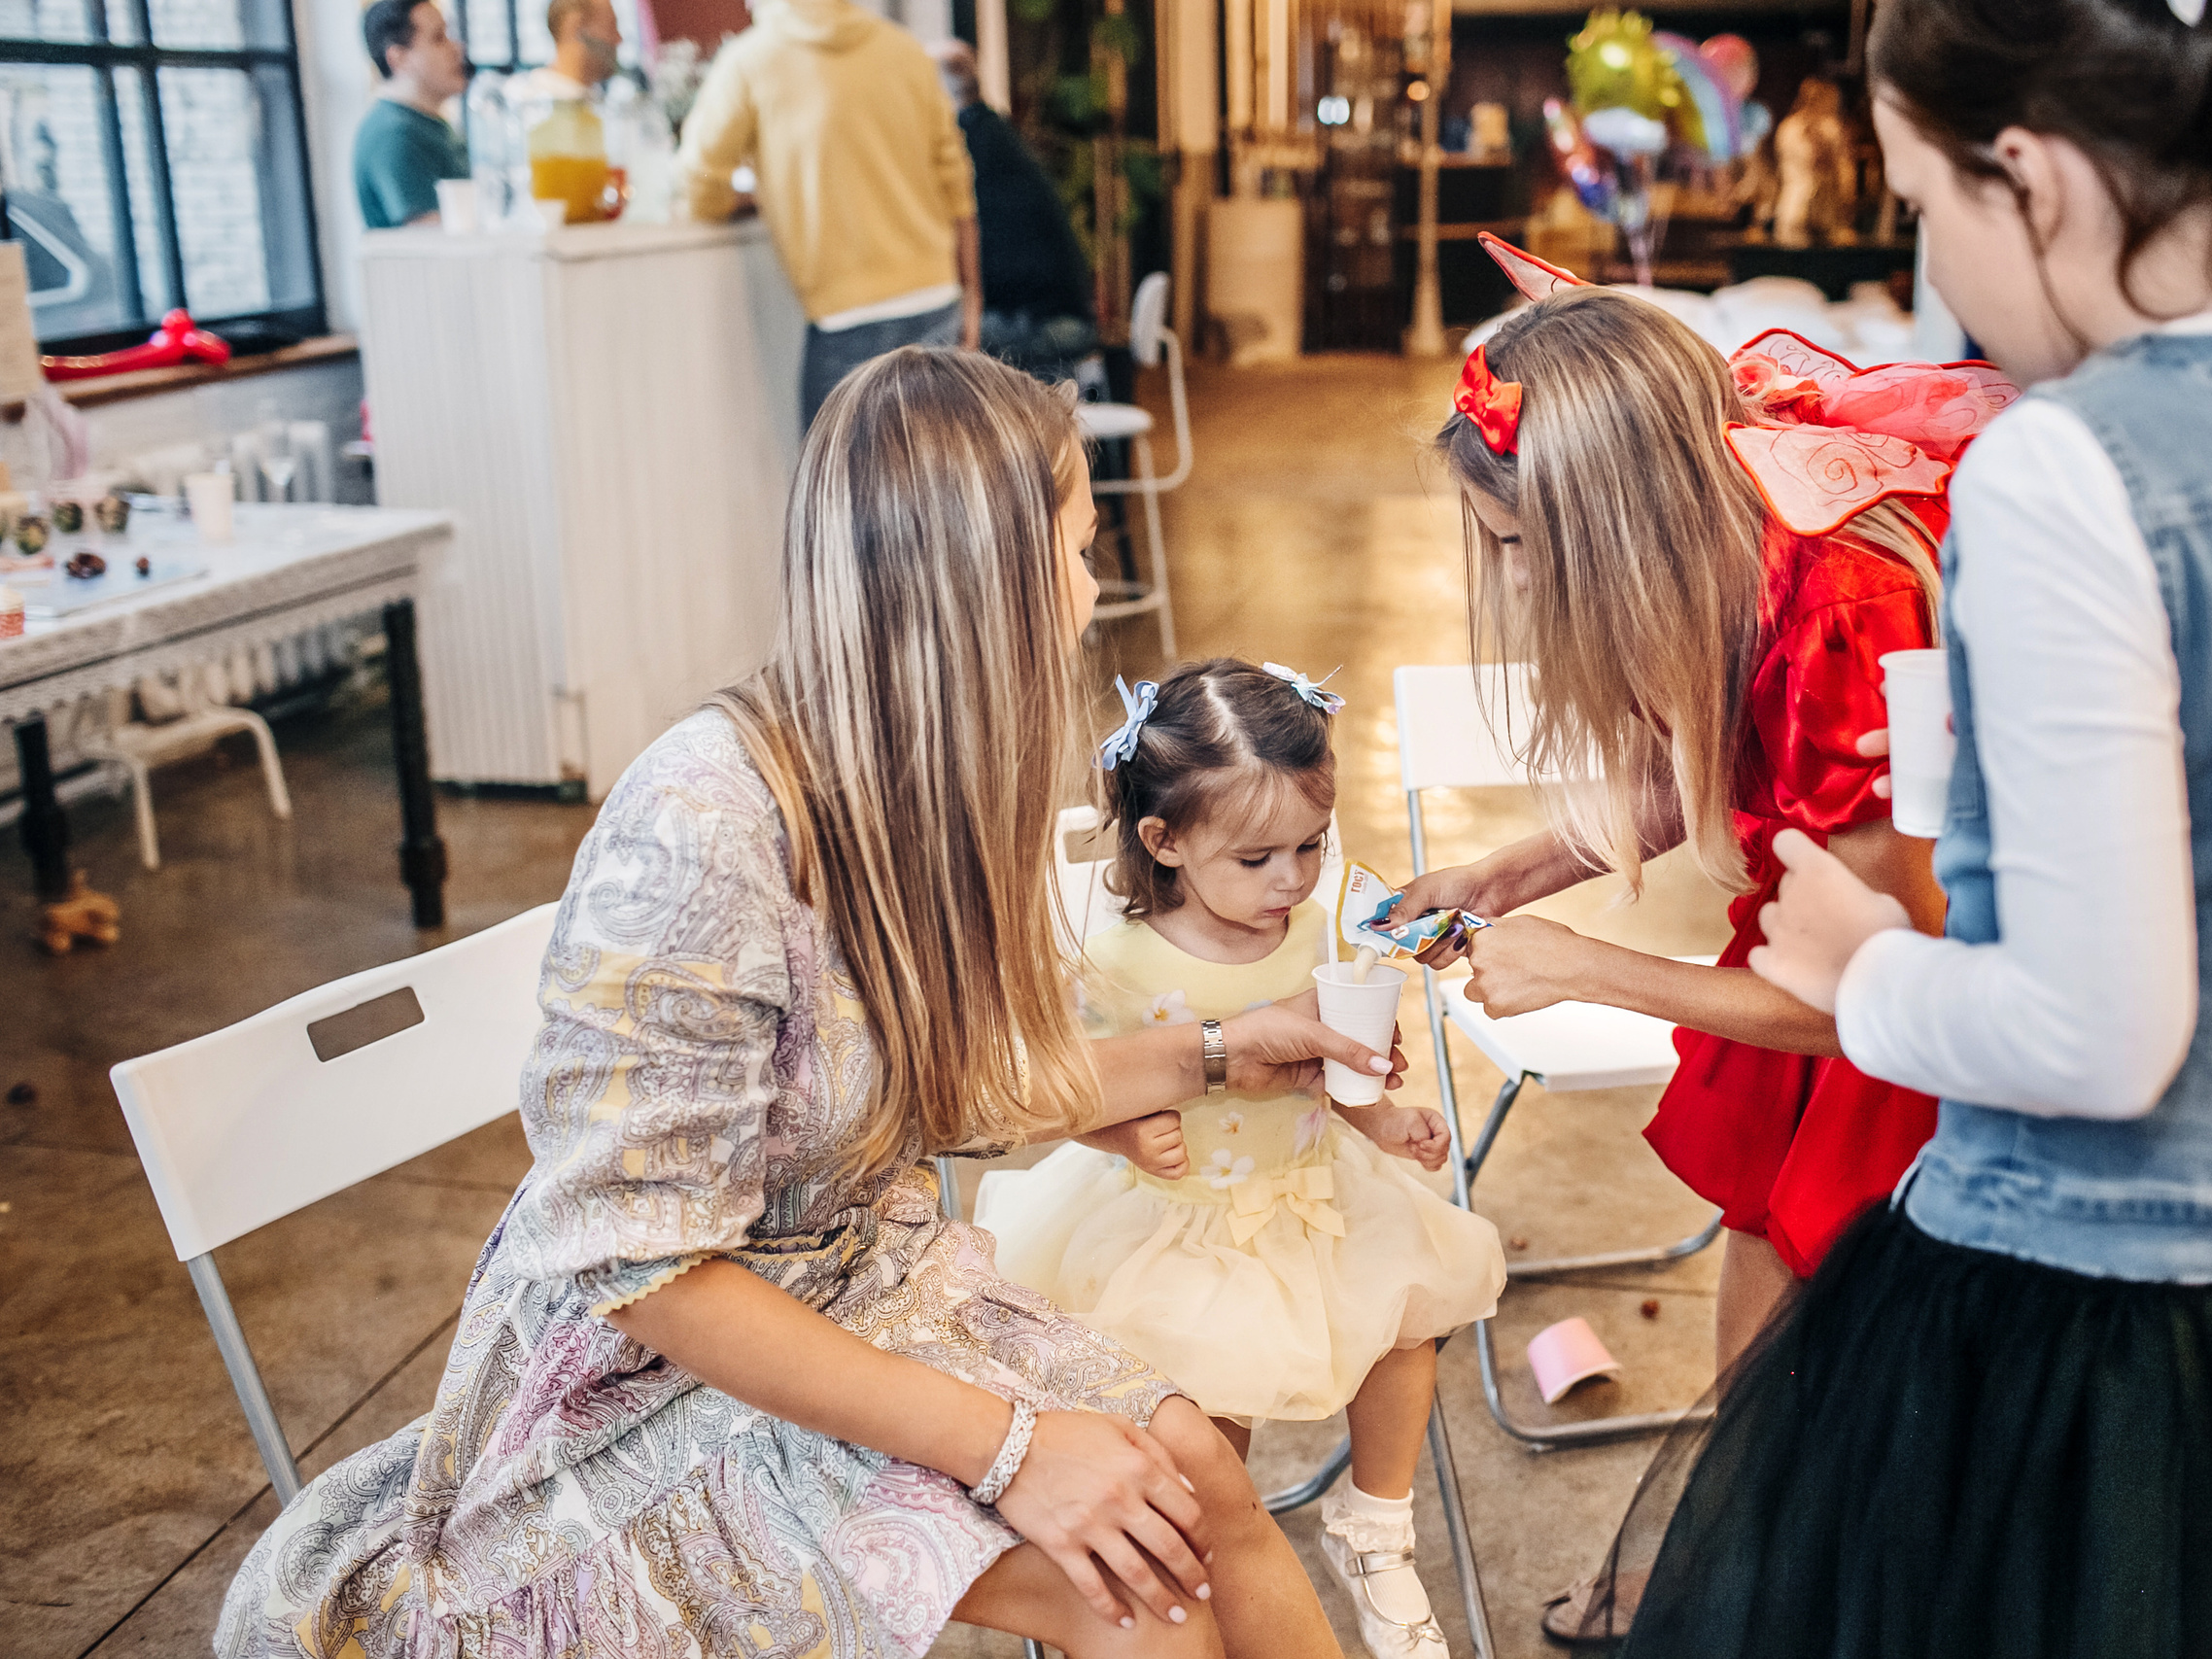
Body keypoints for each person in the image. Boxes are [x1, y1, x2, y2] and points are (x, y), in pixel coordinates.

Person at [214, 349, 1402, 1659]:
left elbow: (943, 1082)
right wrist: (1013, 1449)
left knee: (1207, 1487)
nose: (1092, 584)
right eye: (1076, 543)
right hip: (649, 1385)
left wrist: (1224, 1052)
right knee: (1137, 1595)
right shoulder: (701, 823)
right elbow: (643, 1266)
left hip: (855, 1284)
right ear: (984, 582)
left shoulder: (921, 781)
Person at [1617, 0, 2212, 1646]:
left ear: (2030, 177)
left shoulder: (2067, 466)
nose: (1930, 248)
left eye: (1922, 201)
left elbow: (2099, 1037)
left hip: (2111, 1328)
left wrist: (1864, 961)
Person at [1397, 285, 2002, 1642]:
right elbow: (1723, 758)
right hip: (1817, 945)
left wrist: (1589, 967)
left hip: (1912, 1000)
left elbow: (1877, 998)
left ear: (1609, 522)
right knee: (1756, 1325)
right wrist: (1510, 873)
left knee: (1831, 1371)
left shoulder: (1849, 604)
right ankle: (1748, 1564)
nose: (1506, 576)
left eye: (1513, 542)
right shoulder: (1725, 542)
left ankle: (1774, 1588)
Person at [977, 658, 1506, 1659]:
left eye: (1311, 845)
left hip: (1314, 1188)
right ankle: (1212, 1572)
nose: (1293, 880)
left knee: (1408, 1327)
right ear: (1164, 841)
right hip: (1174, 1219)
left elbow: (1332, 1065)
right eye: (1258, 858)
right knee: (1205, 1419)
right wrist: (1116, 1129)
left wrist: (1382, 1123)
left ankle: (1376, 1526)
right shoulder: (1120, 959)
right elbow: (1067, 1086)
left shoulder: (1324, 928)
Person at [678, 0, 984, 433]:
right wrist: (972, 302)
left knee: (838, 493)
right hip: (937, 299)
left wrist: (760, 197)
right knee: (939, 487)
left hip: (846, 315)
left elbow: (699, 184)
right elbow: (957, 184)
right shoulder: (905, 52)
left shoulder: (750, 62)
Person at [934, 42, 1101, 384]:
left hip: (1047, 326)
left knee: (933, 352)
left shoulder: (968, 151)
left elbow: (981, 260)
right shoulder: (996, 136)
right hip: (1065, 316)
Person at [353, 0, 470, 229]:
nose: (457, 48)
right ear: (399, 58)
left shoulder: (428, 123)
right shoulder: (395, 135)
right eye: (438, 38)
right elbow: (428, 238)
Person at [509, 0, 623, 104]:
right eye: (610, 26)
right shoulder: (534, 108)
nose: (618, 39)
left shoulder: (593, 103)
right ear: (574, 25)